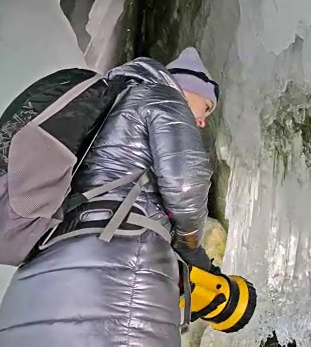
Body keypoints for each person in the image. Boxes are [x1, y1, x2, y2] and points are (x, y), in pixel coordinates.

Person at [0, 47, 219, 346]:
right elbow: (185, 184)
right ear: (186, 86)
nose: (204, 121)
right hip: (115, 275)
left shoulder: (102, 109)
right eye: (205, 107)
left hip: (32, 287)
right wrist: (192, 247)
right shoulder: (162, 97)